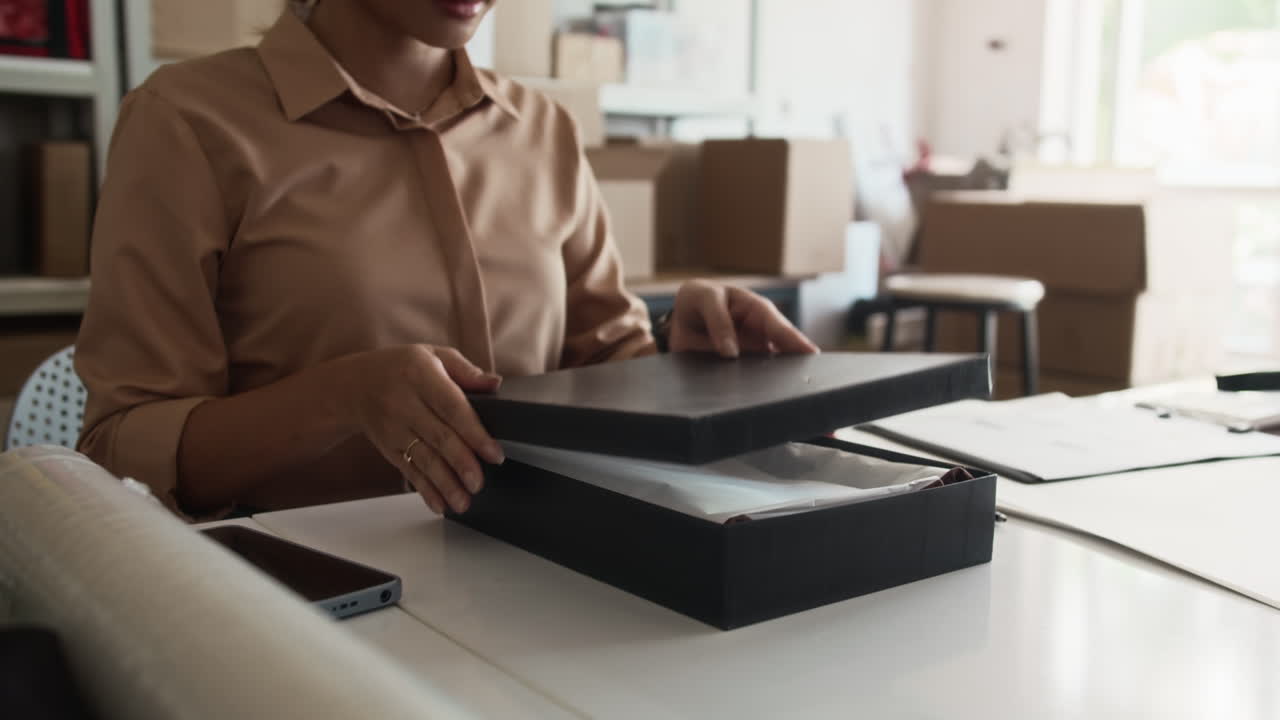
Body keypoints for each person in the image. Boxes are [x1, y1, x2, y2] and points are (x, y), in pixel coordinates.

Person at [75, 0, 817, 520]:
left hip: (549, 574)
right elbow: (121, 450)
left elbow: (603, 373)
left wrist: (679, 363)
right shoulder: (187, 122)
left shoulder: (543, 131)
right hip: (299, 612)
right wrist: (339, 397)